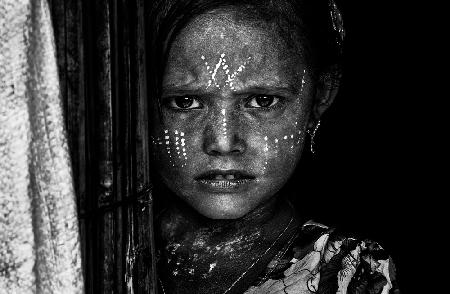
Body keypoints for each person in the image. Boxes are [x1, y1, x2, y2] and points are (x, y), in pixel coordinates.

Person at [147, 0, 400, 293]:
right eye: (185, 102)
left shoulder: (349, 275)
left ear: (320, 95)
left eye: (262, 101)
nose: (223, 143)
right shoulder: (98, 247)